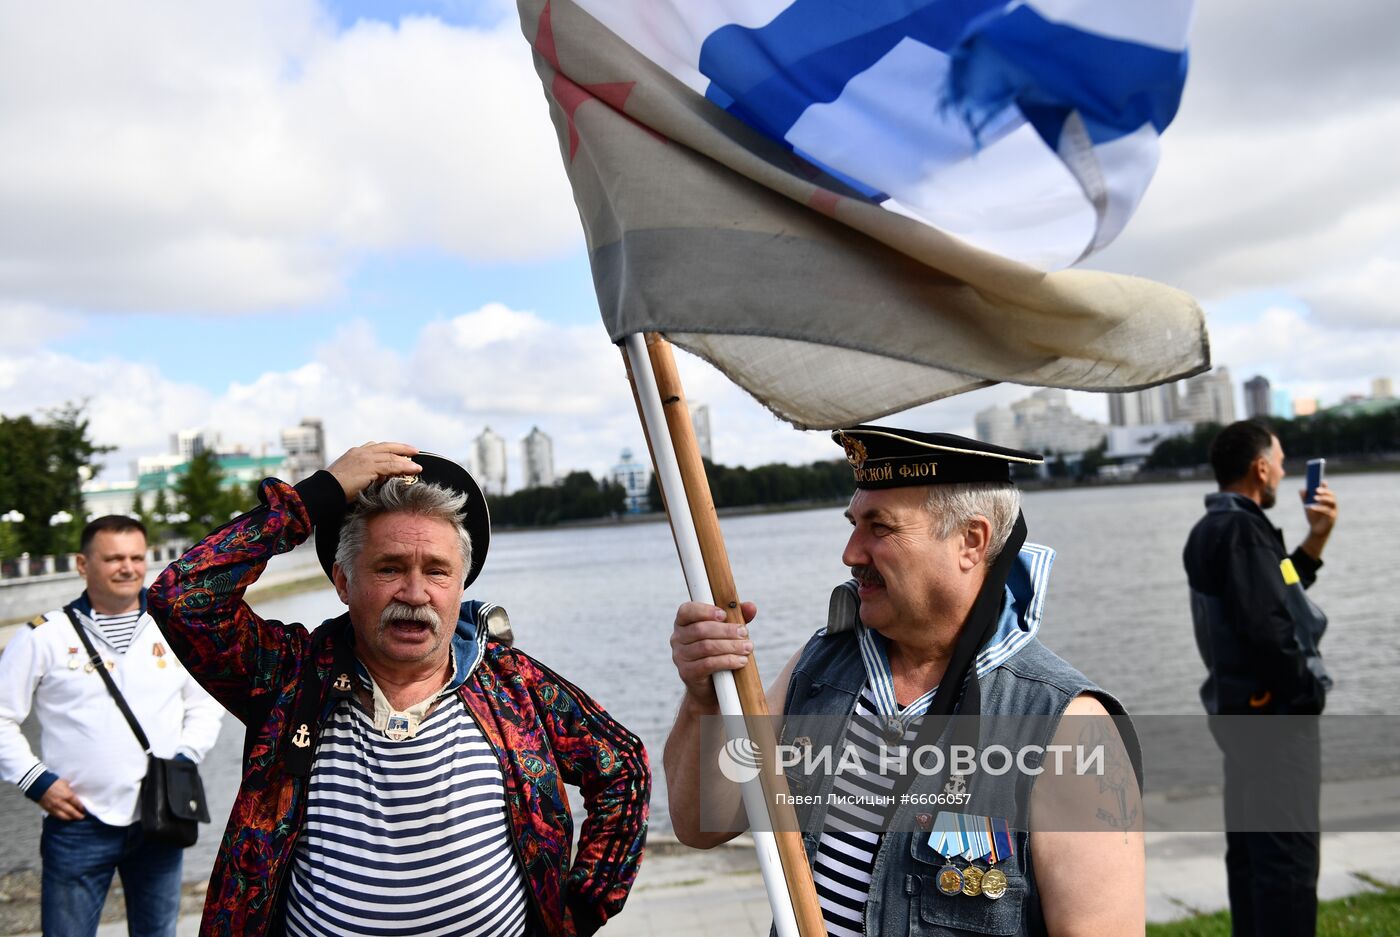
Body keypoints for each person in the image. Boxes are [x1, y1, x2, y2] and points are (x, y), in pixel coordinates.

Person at [146, 442, 649, 937]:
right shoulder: (288, 676)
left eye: (436, 571)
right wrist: (315, 496)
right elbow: (180, 599)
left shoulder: (513, 684)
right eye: (389, 569)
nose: (414, 594)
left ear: (461, 584)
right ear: (343, 582)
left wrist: (579, 910)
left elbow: (623, 767)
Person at [665, 426, 1145, 937]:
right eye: (854, 524)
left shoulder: (1065, 723)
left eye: (881, 528)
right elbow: (704, 824)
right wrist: (703, 698)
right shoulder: (821, 666)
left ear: (970, 542)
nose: (851, 553)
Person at [0, 515, 224, 937]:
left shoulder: (173, 628)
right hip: (79, 821)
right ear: (83, 564)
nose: (129, 567)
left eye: (137, 557)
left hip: (161, 815)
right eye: (114, 558)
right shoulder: (44, 636)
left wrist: (184, 757)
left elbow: (205, 702)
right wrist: (36, 781)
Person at [1184, 420, 1338, 937]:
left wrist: (1314, 541)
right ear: (1261, 467)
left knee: (1253, 857)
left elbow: (1279, 590)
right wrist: (1306, 692)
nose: (1286, 471)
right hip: (1274, 720)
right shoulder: (1241, 530)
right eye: (1281, 459)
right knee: (1287, 865)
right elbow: (1267, 628)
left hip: (1244, 715)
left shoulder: (1220, 527)